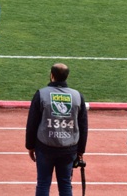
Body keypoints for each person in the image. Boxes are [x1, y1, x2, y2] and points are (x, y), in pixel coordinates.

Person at [25, 63, 88, 196]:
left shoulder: (41, 94)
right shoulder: (77, 96)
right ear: (67, 77)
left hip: (45, 147)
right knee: (65, 184)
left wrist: (30, 146)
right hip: (69, 148)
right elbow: (83, 125)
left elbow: (32, 123)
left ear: (51, 75)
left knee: (43, 183)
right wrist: (81, 150)